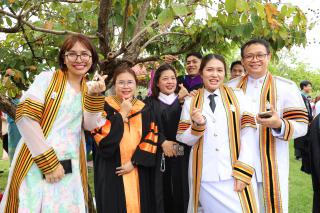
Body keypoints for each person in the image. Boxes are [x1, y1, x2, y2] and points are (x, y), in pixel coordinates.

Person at [0, 34, 105, 212]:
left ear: (92, 58)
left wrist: (95, 97)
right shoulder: (47, 79)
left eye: (85, 54)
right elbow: (25, 117)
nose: (79, 59)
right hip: (37, 161)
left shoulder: (89, 88)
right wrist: (49, 163)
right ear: (64, 58)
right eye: (72, 54)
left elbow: (89, 125)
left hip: (71, 165)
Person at [227, 38, 308, 213]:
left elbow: (302, 126)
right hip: (237, 164)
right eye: (249, 56)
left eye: (259, 55)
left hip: (272, 163)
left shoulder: (286, 86)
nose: (255, 60)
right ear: (242, 60)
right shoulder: (229, 88)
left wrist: (279, 124)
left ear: (268, 57)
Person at [177, 54, 259, 213]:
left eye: (219, 70)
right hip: (205, 176)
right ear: (201, 73)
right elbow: (184, 139)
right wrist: (197, 125)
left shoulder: (239, 96)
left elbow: (249, 135)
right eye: (210, 70)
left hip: (235, 172)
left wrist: (244, 169)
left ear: (225, 74)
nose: (215, 74)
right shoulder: (190, 101)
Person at [87, 67, 158, 213]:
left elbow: (151, 136)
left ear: (136, 85)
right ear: (114, 85)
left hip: (138, 169)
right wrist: (122, 112)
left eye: (130, 82)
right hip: (112, 170)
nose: (126, 86)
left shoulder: (144, 108)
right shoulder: (103, 106)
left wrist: (134, 162)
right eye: (121, 82)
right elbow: (103, 140)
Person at [145, 64, 189, 213]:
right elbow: (147, 126)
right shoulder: (150, 103)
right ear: (157, 82)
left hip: (181, 154)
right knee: (160, 191)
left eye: (173, 78)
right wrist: (163, 142)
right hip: (158, 153)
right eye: (165, 79)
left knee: (180, 187)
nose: (170, 82)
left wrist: (175, 148)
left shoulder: (184, 101)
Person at [294, 80, 313, 163]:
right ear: (304, 87)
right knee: (299, 137)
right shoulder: (300, 96)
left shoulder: (305, 96)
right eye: (309, 86)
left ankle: (302, 154)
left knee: (304, 137)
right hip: (301, 118)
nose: (310, 88)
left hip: (306, 119)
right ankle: (298, 155)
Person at [7, 92, 22, 163]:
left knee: (13, 146)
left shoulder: (9, 102)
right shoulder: (20, 102)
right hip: (18, 126)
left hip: (12, 127)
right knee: (18, 146)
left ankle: (13, 164)